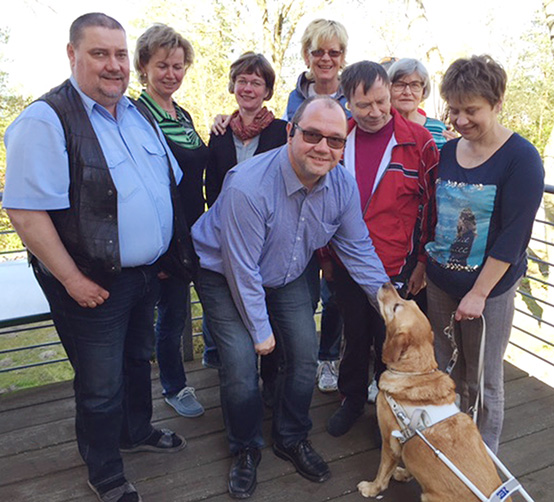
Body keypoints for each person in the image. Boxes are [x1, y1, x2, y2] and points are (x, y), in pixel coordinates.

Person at [3, 13, 191, 502]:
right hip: (91, 284)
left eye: (121, 54)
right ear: (72, 55)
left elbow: (165, 185)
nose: (115, 65)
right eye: (99, 53)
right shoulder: (47, 118)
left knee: (136, 361)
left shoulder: (137, 112)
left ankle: (137, 431)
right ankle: (105, 470)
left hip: (144, 275)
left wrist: (163, 253)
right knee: (99, 383)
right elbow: (25, 212)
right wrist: (71, 280)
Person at [191, 96, 390, 499]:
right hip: (224, 272)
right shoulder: (248, 186)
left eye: (335, 140)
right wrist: (261, 332)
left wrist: (392, 304)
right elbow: (242, 269)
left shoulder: (341, 184)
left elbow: (358, 250)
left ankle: (291, 436)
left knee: (303, 354)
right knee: (242, 363)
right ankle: (245, 448)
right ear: (290, 133)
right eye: (312, 134)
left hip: (289, 268)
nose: (323, 147)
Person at [425, 55, 544, 453]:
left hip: (488, 293)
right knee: (446, 367)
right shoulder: (447, 152)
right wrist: (426, 265)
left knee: (486, 378)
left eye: (471, 110)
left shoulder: (521, 158)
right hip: (440, 284)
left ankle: (482, 456)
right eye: (454, 110)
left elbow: (514, 236)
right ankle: (448, 443)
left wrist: (478, 292)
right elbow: (435, 215)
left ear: (497, 103)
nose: (460, 120)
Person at [325, 61, 439, 437]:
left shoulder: (418, 142)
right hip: (345, 262)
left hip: (396, 268)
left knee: (392, 344)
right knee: (354, 336)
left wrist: (421, 264)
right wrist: (327, 258)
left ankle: (389, 412)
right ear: (347, 103)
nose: (375, 112)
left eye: (381, 102)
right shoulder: (337, 139)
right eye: (364, 106)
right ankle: (352, 400)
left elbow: (431, 209)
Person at [204, 52, 287, 403]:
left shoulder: (284, 131)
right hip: (227, 238)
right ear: (233, 85)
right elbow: (211, 186)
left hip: (269, 240)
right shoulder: (220, 133)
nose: (248, 88)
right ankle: (240, 388)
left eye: (256, 82)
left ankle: (270, 387)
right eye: (243, 81)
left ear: (267, 90)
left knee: (268, 312)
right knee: (234, 320)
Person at [134, 23, 206, 419]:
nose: (171, 74)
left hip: (197, 230)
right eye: (163, 65)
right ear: (144, 66)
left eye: (178, 66)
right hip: (168, 238)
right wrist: (161, 248)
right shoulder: (137, 114)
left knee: (205, 303)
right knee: (173, 315)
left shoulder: (183, 113)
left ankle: (212, 358)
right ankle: (174, 386)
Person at [285, 18, 350, 393]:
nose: (325, 58)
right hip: (299, 206)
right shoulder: (294, 97)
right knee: (303, 290)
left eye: (333, 52)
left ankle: (328, 359)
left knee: (335, 291)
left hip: (337, 203)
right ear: (307, 55)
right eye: (318, 51)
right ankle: (296, 360)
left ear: (342, 57)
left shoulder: (352, 93)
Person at [388, 57, 455, 150]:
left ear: (423, 91)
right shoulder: (381, 127)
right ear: (389, 89)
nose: (407, 92)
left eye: (414, 85)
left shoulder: (438, 129)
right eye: (400, 85)